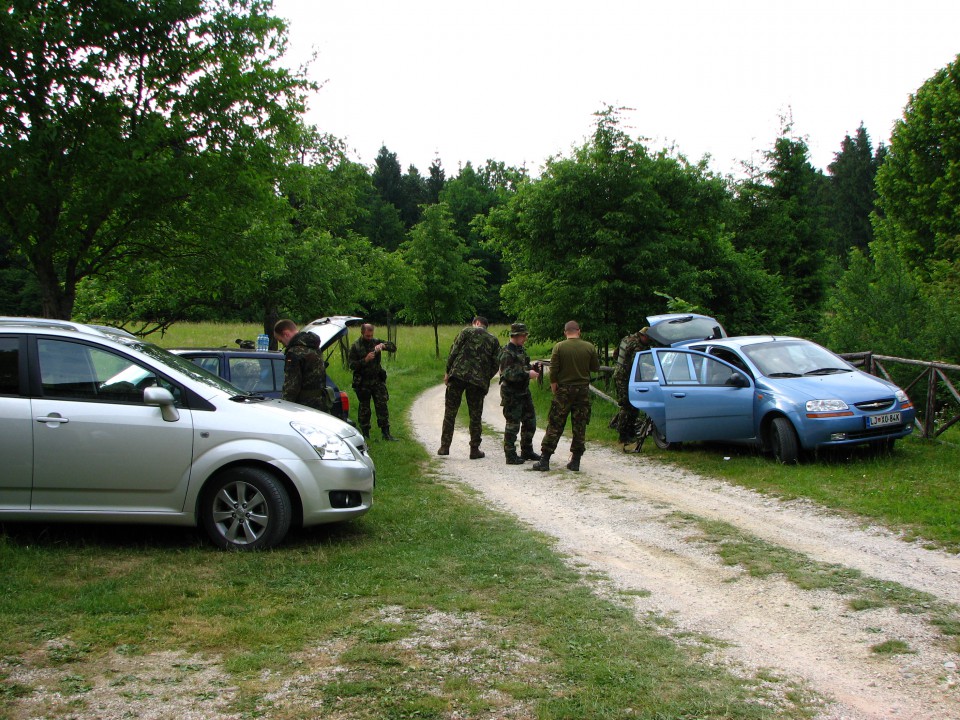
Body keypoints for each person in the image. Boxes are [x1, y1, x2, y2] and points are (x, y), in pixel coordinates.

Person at [530, 320, 600, 472]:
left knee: (555, 424)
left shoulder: (559, 347)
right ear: (579, 331)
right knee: (579, 426)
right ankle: (575, 461)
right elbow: (595, 367)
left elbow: (554, 369)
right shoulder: (589, 347)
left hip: (564, 390)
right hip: (582, 390)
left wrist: (554, 385)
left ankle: (545, 460)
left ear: (565, 332)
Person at [438, 316, 501, 459]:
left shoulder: (466, 332)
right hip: (478, 382)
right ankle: (474, 449)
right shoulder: (493, 340)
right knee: (475, 415)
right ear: (485, 325)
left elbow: (453, 352)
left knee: (450, 412)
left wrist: (448, 372)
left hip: (458, 376)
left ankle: (444, 446)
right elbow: (496, 364)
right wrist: (485, 377)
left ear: (476, 323)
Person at [498, 322, 541, 465]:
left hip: (523, 391)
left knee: (530, 422)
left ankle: (527, 450)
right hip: (511, 393)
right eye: (523, 335)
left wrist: (532, 368)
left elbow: (523, 366)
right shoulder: (507, 352)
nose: (525, 338)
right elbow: (507, 374)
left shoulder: (520, 350)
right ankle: (510, 455)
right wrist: (528, 374)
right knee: (513, 424)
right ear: (515, 336)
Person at [348, 323, 398, 441]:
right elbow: (352, 365)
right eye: (367, 336)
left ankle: (386, 433)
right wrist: (365, 360)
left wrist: (383, 345)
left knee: (382, 405)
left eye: (371, 335)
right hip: (363, 382)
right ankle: (365, 434)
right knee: (364, 408)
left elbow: (393, 347)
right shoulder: (355, 346)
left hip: (377, 380)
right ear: (362, 333)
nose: (369, 338)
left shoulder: (375, 342)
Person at [273, 319, 330, 412]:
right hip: (320, 403)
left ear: (286, 334)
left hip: (303, 406)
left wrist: (284, 408)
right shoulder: (314, 346)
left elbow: (291, 386)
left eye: (281, 341)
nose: (282, 345)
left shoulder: (294, 353)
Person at [612, 326, 652, 445]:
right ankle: (623, 435)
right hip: (625, 377)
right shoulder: (636, 345)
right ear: (643, 336)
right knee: (627, 406)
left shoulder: (626, 339)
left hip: (620, 374)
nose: (648, 341)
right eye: (648, 338)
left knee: (632, 405)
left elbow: (616, 354)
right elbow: (639, 362)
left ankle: (628, 432)